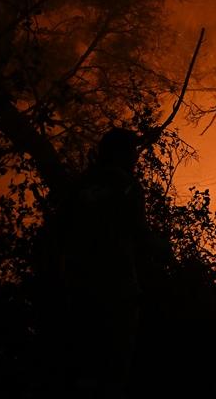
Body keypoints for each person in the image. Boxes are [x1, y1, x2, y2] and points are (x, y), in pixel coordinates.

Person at [52, 128, 153, 395]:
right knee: (115, 363)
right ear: (120, 154)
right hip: (118, 285)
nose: (136, 158)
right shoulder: (127, 186)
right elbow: (139, 232)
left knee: (84, 362)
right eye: (132, 151)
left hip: (79, 285)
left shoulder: (80, 185)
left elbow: (58, 231)